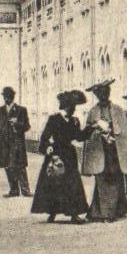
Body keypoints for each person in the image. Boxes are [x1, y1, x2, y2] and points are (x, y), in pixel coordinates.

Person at [81, 79, 127, 221]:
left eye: (106, 93)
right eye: (101, 94)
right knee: (101, 179)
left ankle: (111, 211)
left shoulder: (118, 111)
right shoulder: (92, 112)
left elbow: (126, 134)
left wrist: (113, 131)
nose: (103, 96)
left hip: (115, 151)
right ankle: (100, 211)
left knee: (115, 178)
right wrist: (97, 130)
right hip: (100, 151)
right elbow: (87, 135)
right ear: (97, 95)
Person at [31, 90, 90, 223]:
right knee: (54, 183)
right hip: (56, 155)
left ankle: (74, 214)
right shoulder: (54, 119)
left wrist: (90, 129)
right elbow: (44, 137)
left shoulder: (75, 121)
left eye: (74, 107)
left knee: (72, 183)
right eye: (72, 107)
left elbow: (79, 137)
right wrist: (47, 147)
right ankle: (52, 212)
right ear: (65, 106)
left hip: (69, 154)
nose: (74, 110)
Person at [0, 86, 32, 197]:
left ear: (13, 96)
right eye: (5, 96)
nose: (7, 98)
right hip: (3, 143)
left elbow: (27, 126)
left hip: (17, 143)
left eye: (9, 96)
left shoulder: (21, 110)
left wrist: (17, 123)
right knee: (7, 165)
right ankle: (14, 190)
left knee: (19, 166)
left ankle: (25, 190)